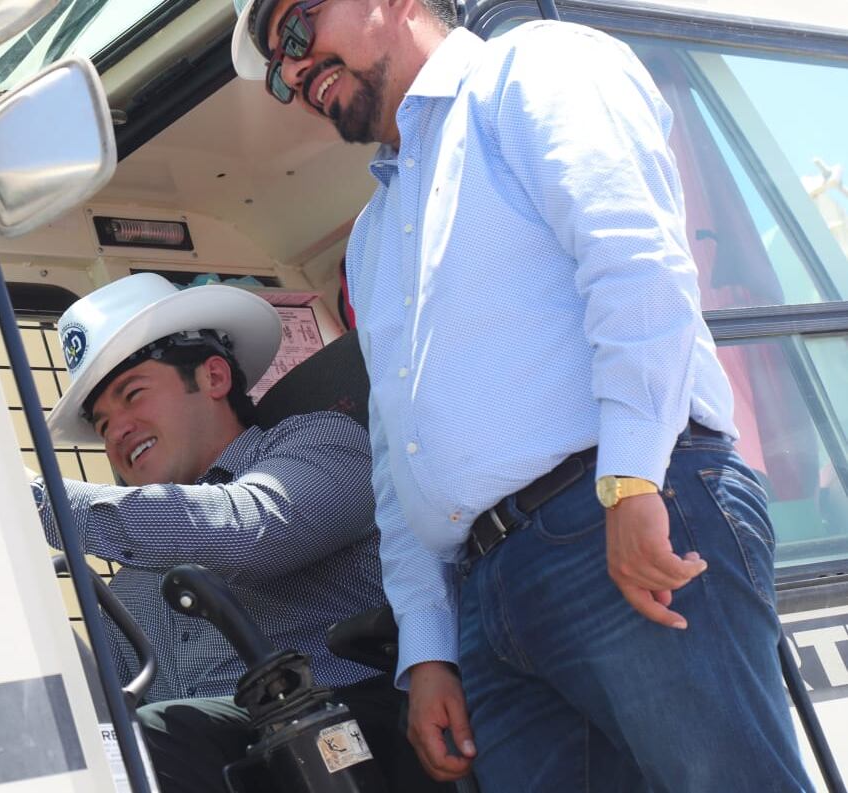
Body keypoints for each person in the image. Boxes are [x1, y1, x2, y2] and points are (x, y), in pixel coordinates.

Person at [231, 1, 813, 791]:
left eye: (296, 29)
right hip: (488, 591)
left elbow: (636, 266)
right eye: (278, 69)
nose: (295, 70)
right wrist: (428, 649)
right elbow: (398, 454)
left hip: (617, 509)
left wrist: (633, 478)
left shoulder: (534, 68)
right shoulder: (371, 237)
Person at [34, 272, 447, 793]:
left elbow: (248, 529)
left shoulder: (322, 444)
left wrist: (31, 501)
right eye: (101, 425)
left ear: (213, 377)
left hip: (355, 740)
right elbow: (100, 703)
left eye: (133, 394)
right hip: (221, 767)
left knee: (152, 738)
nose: (116, 431)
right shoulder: (128, 589)